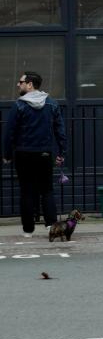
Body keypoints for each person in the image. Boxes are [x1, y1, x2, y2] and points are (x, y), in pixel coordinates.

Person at [2, 72, 67, 238]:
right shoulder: (51, 104)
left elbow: (10, 132)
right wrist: (61, 152)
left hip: (24, 154)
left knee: (27, 191)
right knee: (47, 190)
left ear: (30, 84)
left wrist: (7, 154)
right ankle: (51, 225)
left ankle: (28, 230)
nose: (18, 85)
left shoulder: (19, 106)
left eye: (21, 82)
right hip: (45, 153)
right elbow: (60, 130)